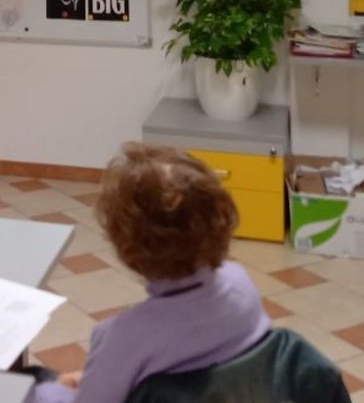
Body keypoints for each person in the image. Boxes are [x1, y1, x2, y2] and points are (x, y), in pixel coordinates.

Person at [31, 143, 270, 403]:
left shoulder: (123, 337)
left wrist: (50, 393)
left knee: (34, 383)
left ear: (126, 245)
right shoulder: (241, 284)